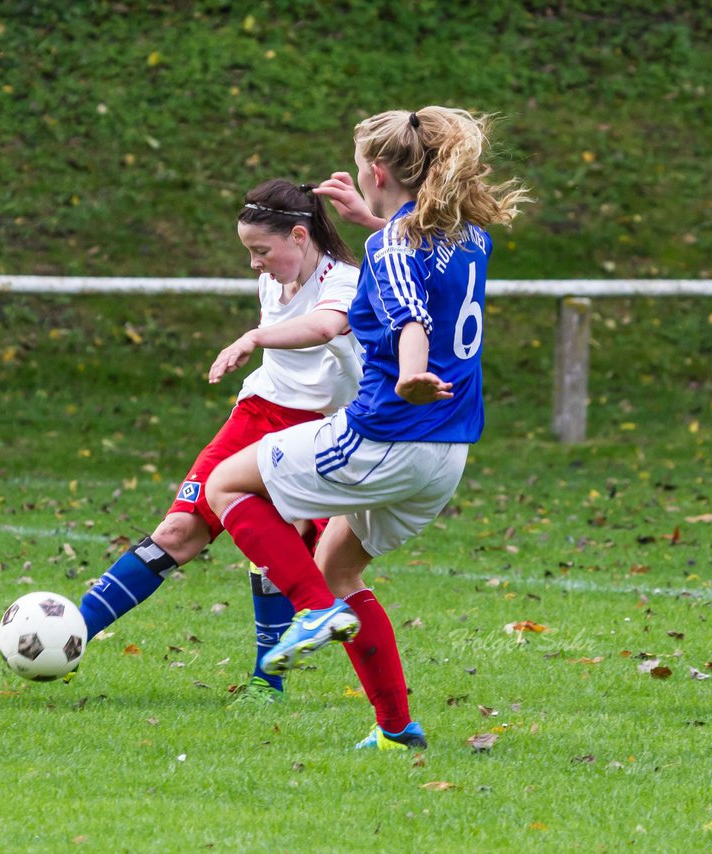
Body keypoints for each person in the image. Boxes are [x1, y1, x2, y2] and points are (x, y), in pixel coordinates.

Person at [205, 107, 530, 748]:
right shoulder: (467, 237)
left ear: (377, 171)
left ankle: (315, 613)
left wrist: (410, 373)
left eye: (360, 169)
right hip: (448, 453)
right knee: (336, 565)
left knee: (226, 486)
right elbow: (416, 265)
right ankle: (396, 729)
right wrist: (370, 221)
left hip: (387, 435)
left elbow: (409, 315)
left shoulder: (390, 248)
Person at [75, 178, 364, 706]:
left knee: (283, 540)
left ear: (299, 237)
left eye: (260, 251)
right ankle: (68, 637)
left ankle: (266, 683)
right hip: (257, 415)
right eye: (248, 251)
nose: (254, 263)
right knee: (178, 529)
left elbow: (325, 327)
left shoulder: (343, 281)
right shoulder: (271, 282)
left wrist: (252, 338)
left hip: (322, 430)